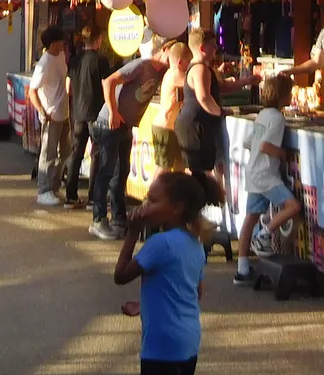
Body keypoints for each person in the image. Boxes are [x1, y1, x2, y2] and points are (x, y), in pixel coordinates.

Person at [113, 171, 218, 375]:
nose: (145, 207)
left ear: (176, 209)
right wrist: (149, 303)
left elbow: (121, 275)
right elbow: (194, 292)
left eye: (152, 201)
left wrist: (133, 231)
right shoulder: (195, 244)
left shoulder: (160, 244)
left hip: (162, 347)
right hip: (188, 341)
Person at [89, 35, 169, 241]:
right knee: (106, 172)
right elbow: (109, 82)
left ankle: (118, 218)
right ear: (165, 49)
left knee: (120, 173)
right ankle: (98, 220)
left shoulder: (165, 73)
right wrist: (113, 112)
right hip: (109, 123)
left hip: (125, 126)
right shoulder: (142, 65)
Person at [234, 76, 302, 284]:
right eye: (289, 92)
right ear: (282, 95)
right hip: (265, 174)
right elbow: (265, 146)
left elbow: (249, 142)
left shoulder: (262, 115)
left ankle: (242, 269)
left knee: (251, 217)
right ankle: (264, 234)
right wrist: (282, 153)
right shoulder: (277, 118)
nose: (291, 95)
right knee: (293, 206)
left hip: (253, 172)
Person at [175, 30, 234, 180]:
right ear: (202, 48)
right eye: (212, 46)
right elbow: (203, 97)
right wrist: (220, 111)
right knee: (200, 174)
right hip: (196, 126)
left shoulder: (197, 67)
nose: (215, 49)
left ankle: (195, 201)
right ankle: (198, 202)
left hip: (192, 123)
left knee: (196, 171)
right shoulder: (200, 69)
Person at [65, 28, 111, 207]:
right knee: (97, 155)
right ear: (98, 39)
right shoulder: (101, 60)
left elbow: (68, 87)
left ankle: (70, 195)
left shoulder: (75, 60)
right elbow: (107, 85)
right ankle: (94, 196)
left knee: (76, 153)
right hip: (96, 112)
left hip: (78, 112)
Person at [29, 26, 70, 207]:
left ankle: (54, 187)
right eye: (61, 41)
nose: (64, 43)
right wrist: (42, 111)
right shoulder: (44, 64)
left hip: (64, 112)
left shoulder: (60, 56)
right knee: (48, 154)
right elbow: (32, 90)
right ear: (53, 43)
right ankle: (43, 190)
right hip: (51, 114)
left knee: (65, 151)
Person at [151, 40, 191, 176]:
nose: (191, 66)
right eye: (189, 62)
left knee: (178, 167)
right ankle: (151, 197)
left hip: (171, 127)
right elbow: (195, 85)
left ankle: (174, 196)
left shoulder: (171, 73)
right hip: (165, 127)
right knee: (163, 168)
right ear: (180, 62)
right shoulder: (176, 75)